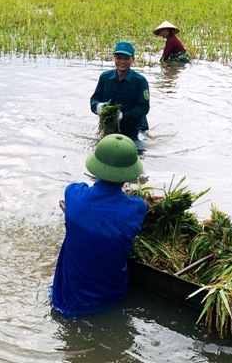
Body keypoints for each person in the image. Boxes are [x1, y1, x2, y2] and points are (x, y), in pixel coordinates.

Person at [50, 134, 147, 317]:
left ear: (95, 168)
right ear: (129, 174)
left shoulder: (73, 194)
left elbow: (80, 189)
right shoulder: (136, 208)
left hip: (65, 299)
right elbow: (134, 206)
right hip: (111, 297)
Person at [90, 41, 150, 144]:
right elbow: (94, 99)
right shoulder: (105, 77)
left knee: (137, 150)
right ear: (114, 58)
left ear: (133, 60)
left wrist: (123, 116)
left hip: (135, 129)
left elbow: (143, 108)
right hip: (110, 126)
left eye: (126, 58)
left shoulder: (140, 81)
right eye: (119, 58)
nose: (122, 61)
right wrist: (98, 107)